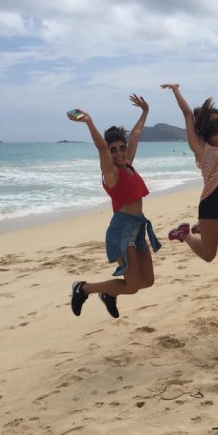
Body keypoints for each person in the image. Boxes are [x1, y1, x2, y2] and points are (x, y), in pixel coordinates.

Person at [67, 94, 161, 319]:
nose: (119, 153)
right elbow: (100, 146)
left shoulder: (128, 165)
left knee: (147, 281)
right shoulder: (111, 173)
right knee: (131, 286)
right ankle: (84, 288)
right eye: (114, 150)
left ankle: (108, 294)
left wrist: (145, 111)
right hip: (121, 230)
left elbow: (136, 134)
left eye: (122, 148)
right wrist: (89, 122)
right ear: (108, 153)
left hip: (138, 226)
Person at [161, 79, 218, 262]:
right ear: (204, 129)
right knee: (208, 255)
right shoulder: (200, 147)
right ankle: (184, 234)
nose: (216, 133)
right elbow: (188, 114)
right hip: (211, 201)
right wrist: (175, 90)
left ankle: (204, 230)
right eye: (211, 129)